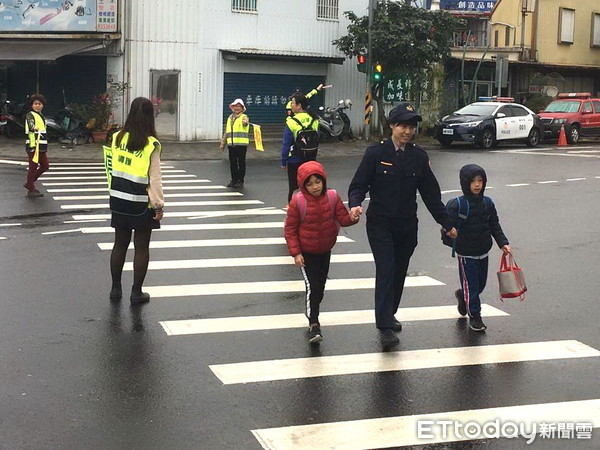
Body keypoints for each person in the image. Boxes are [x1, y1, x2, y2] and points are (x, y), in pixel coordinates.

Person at [348, 103, 457, 351]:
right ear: (392, 127)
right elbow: (358, 185)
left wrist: (447, 223)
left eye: (411, 127)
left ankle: (390, 313)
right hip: (380, 223)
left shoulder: (418, 157)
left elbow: (431, 195)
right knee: (386, 269)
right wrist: (355, 204)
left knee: (399, 272)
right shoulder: (375, 153)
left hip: (407, 225)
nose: (407, 131)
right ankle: (384, 325)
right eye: (402, 126)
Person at [284, 161, 359, 344]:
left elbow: (343, 218)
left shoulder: (332, 197)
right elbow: (290, 229)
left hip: (325, 250)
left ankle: (313, 311)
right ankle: (313, 323)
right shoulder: (298, 201)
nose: (315, 187)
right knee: (313, 287)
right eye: (309, 184)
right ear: (303, 186)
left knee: (321, 287)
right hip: (306, 253)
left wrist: (353, 216)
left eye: (317, 182)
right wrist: (296, 253)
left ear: (323, 181)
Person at [107, 97, 164, 304]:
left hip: (119, 200)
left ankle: (115, 289)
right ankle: (136, 292)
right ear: (150, 117)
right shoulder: (151, 144)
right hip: (141, 203)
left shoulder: (117, 137)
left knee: (119, 245)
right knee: (141, 247)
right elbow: (155, 179)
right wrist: (158, 205)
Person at [447, 164, 511, 332]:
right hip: (466, 254)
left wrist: (503, 243)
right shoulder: (458, 205)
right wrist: (450, 233)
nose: (477, 185)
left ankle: (463, 295)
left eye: (480, 181)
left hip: (483, 251)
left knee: (479, 285)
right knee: (472, 287)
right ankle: (475, 316)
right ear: (465, 183)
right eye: (473, 181)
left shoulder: (487, 203)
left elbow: (494, 225)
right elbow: (447, 226)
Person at [281, 93, 320, 203]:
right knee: (310, 187)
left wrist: (283, 161)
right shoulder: (314, 119)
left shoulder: (291, 122)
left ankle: (293, 213)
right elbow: (317, 138)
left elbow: (286, 144)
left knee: (294, 188)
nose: (291, 105)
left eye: (293, 103)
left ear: (299, 106)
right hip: (310, 158)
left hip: (294, 160)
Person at [23, 94, 49, 197]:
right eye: (35, 104)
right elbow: (31, 125)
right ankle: (31, 189)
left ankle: (29, 184)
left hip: (41, 147)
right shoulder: (30, 115)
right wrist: (34, 128)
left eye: (39, 104)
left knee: (45, 166)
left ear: (42, 105)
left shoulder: (41, 116)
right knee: (33, 168)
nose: (37, 105)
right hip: (33, 146)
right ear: (32, 105)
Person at [220, 98, 250, 188]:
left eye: (238, 106)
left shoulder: (244, 117)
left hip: (241, 144)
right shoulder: (230, 118)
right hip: (231, 145)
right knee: (232, 163)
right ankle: (234, 180)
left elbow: (246, 123)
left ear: (242, 108)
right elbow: (227, 131)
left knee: (241, 163)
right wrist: (223, 143)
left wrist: (245, 122)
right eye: (235, 106)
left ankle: (240, 180)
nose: (236, 108)